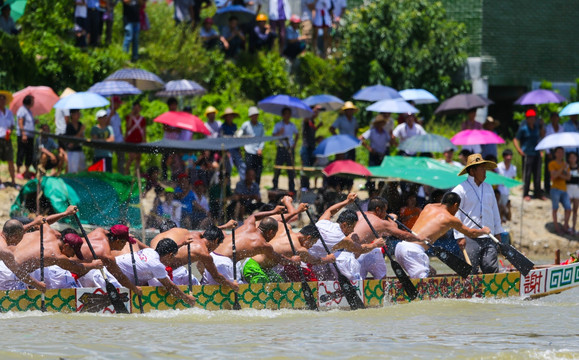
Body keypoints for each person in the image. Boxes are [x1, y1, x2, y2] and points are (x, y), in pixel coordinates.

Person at [395, 192, 491, 278]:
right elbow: (472, 233)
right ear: (455, 205)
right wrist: (483, 231)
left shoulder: (428, 206)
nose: (457, 211)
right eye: (457, 208)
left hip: (400, 248)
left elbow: (441, 205)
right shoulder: (450, 219)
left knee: (432, 273)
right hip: (413, 251)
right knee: (423, 286)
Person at [202, 206, 299, 285]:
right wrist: (292, 261)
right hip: (225, 263)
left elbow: (254, 216)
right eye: (274, 234)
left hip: (213, 256)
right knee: (234, 295)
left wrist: (274, 211)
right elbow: (279, 259)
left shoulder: (248, 225)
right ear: (270, 232)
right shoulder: (263, 245)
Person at [310, 193, 385, 281]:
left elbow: (330, 211)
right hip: (312, 262)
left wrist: (347, 201)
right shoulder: (342, 239)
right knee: (346, 257)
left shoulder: (323, 222)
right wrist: (375, 245)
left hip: (312, 260)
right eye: (352, 227)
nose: (353, 231)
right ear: (345, 225)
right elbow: (360, 249)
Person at [452, 153, 504, 274]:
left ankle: (491, 293)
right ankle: (469, 293)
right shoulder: (460, 189)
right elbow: (455, 214)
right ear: (472, 171)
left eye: (485, 168)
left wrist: (498, 232)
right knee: (470, 271)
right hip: (469, 237)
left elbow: (494, 211)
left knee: (491, 269)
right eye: (481, 168)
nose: (485, 171)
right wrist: (459, 236)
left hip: (488, 236)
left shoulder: (488, 187)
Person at [353, 197, 421, 280]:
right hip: (367, 252)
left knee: (356, 282)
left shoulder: (357, 214)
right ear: (378, 210)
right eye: (385, 210)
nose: (386, 214)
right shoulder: (381, 222)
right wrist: (393, 219)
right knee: (382, 280)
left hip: (351, 256)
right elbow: (403, 235)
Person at [115, 238, 196, 306]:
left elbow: (165, 250)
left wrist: (181, 244)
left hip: (111, 269)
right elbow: (170, 287)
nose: (172, 260)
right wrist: (187, 298)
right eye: (173, 257)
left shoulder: (149, 251)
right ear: (170, 255)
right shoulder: (157, 265)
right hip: (114, 279)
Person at [514, 109, 545, 201]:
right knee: (527, 175)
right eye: (530, 118)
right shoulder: (523, 128)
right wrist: (519, 150)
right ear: (527, 119)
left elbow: (542, 136)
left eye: (533, 118)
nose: (532, 119)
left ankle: (538, 193)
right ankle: (525, 194)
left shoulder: (536, 128)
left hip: (536, 153)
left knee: (538, 174)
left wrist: (542, 125)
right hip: (527, 154)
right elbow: (515, 139)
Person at [272, 107, 298, 193]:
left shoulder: (292, 125)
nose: (287, 116)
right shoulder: (279, 125)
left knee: (290, 169)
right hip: (281, 148)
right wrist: (280, 133)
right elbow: (273, 135)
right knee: (278, 167)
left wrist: (295, 144)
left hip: (289, 148)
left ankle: (292, 188)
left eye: (289, 114)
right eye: (286, 114)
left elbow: (297, 134)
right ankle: (275, 186)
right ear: (283, 115)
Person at [238, 106, 265, 185]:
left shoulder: (260, 126)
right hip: (249, 151)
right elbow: (239, 135)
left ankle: (256, 187)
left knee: (258, 171)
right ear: (250, 116)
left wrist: (260, 148)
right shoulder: (245, 125)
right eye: (253, 115)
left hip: (258, 151)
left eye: (256, 115)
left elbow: (262, 138)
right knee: (249, 171)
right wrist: (242, 145)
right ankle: (247, 187)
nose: (255, 116)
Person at [549, 147, 572, 235]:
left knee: (568, 208)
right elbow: (554, 176)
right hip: (555, 189)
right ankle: (557, 227)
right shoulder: (552, 163)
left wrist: (559, 174)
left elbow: (568, 177)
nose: (560, 154)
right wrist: (562, 169)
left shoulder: (565, 165)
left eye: (562, 152)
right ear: (555, 154)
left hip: (564, 189)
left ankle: (565, 226)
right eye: (558, 152)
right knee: (555, 208)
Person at [220, 107, 246, 181]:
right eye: (228, 116)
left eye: (231, 115)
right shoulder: (223, 127)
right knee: (228, 169)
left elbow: (236, 138)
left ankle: (243, 183)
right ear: (225, 117)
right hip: (227, 150)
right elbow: (221, 140)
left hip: (235, 149)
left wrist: (239, 150)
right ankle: (227, 186)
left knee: (242, 166)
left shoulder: (234, 126)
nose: (230, 117)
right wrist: (226, 151)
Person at [300, 105, 321, 190]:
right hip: (306, 147)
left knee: (311, 167)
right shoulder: (307, 119)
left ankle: (307, 186)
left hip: (312, 147)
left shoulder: (313, 122)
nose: (316, 113)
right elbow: (306, 120)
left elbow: (312, 134)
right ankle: (304, 186)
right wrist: (312, 111)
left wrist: (319, 126)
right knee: (305, 167)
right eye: (315, 111)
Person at [16, 95, 36, 179]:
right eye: (32, 101)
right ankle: (18, 170)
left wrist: (35, 122)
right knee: (21, 152)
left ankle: (27, 171)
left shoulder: (29, 111)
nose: (33, 103)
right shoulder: (22, 110)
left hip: (30, 136)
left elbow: (28, 123)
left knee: (29, 153)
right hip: (23, 136)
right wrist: (23, 134)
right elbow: (20, 122)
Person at [544, 112, 565, 194]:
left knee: (559, 168)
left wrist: (561, 152)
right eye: (553, 117)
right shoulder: (548, 128)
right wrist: (548, 151)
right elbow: (546, 140)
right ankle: (547, 188)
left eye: (556, 117)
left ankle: (558, 186)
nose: (555, 119)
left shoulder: (561, 128)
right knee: (548, 169)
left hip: (559, 150)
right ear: (551, 119)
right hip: (550, 149)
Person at [124, 101, 146, 174]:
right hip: (130, 140)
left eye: (138, 108)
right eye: (135, 108)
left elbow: (144, 129)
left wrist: (144, 139)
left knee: (138, 158)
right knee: (131, 158)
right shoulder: (128, 117)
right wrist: (131, 116)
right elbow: (128, 126)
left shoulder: (142, 119)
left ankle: (136, 175)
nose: (136, 110)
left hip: (139, 140)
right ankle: (126, 173)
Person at [0, 91, 15, 187]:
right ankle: (0, 181)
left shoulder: (9, 112)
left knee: (10, 159)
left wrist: (10, 130)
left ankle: (13, 181)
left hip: (7, 139)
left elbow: (12, 125)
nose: (1, 101)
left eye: (3, 99)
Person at [65, 109, 87, 173]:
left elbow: (82, 137)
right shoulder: (69, 126)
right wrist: (80, 131)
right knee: (73, 171)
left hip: (79, 149)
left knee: (82, 170)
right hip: (72, 151)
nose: (79, 115)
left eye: (79, 113)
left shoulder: (80, 124)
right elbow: (71, 140)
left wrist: (82, 133)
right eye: (77, 114)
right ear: (72, 115)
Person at [107, 97, 125, 174]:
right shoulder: (107, 112)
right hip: (111, 140)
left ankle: (121, 175)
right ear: (114, 103)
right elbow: (105, 125)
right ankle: (108, 174)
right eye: (118, 104)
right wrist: (110, 116)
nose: (119, 106)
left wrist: (122, 136)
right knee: (109, 158)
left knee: (121, 160)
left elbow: (119, 127)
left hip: (119, 140)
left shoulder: (117, 114)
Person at [567, 152, 579, 235]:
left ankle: (574, 227)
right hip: (569, 188)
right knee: (568, 209)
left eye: (574, 157)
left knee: (575, 210)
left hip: (577, 189)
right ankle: (566, 226)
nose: (572, 159)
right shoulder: (566, 167)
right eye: (571, 157)